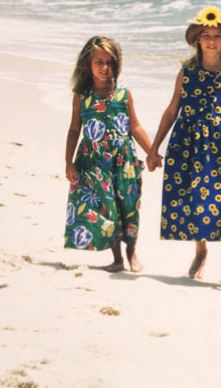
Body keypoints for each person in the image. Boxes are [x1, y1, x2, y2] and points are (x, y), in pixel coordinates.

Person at [146, 6, 221, 291]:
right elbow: (171, 110)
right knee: (194, 201)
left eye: (217, 36)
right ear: (197, 40)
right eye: (206, 36)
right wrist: (154, 148)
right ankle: (200, 250)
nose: (212, 41)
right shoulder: (186, 72)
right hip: (189, 144)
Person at [64, 36, 152, 273]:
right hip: (94, 163)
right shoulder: (81, 97)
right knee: (107, 210)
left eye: (110, 62)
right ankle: (117, 258)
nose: (105, 68)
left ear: (117, 65)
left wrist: (152, 152)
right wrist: (68, 162)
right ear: (87, 65)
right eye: (99, 62)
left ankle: (132, 253)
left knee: (129, 207)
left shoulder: (123, 95)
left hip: (124, 162)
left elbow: (135, 127)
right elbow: (74, 129)